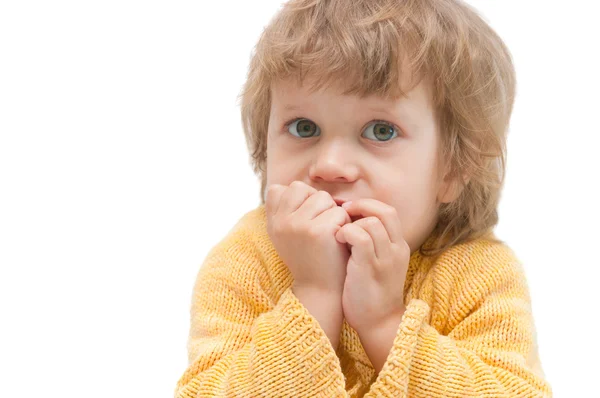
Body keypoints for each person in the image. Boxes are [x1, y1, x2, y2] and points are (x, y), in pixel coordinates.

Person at [174, 0, 552, 396]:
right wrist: (314, 296)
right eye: (304, 128)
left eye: (381, 131)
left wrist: (385, 322)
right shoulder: (248, 261)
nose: (330, 165)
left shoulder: (480, 275)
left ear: (455, 168)